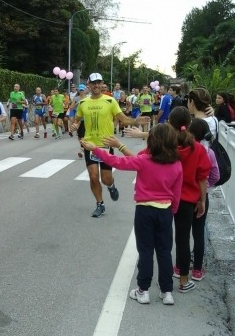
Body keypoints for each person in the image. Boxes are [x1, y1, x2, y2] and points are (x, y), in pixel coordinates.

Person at [81, 123, 182, 305]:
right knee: (165, 251)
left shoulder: (144, 161)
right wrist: (172, 212)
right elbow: (177, 192)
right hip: (165, 210)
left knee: (145, 251)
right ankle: (167, 292)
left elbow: (117, 162)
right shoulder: (177, 164)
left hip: (145, 210)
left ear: (152, 141)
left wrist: (95, 148)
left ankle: (143, 290)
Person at [69, 72, 149, 218]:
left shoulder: (110, 101)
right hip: (90, 144)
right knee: (93, 177)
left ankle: (111, 186)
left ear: (102, 84)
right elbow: (77, 120)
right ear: (89, 85)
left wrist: (137, 122)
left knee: (106, 178)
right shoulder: (83, 103)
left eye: (99, 82)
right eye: (93, 83)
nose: (96, 85)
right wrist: (74, 126)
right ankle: (100, 204)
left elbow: (123, 119)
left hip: (106, 144)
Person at [168, 106, 211, 293]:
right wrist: (202, 200)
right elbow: (202, 177)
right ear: (190, 123)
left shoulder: (167, 145)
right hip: (189, 199)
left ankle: (167, 273)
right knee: (184, 239)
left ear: (170, 123)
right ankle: (184, 280)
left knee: (164, 237)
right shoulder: (198, 148)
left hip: (167, 197)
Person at [187, 118, 220, 282]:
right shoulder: (210, 152)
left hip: (185, 196)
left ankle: (181, 267)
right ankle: (198, 270)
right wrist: (206, 187)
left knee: (182, 233)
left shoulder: (185, 149)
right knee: (198, 233)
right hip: (202, 197)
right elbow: (216, 175)